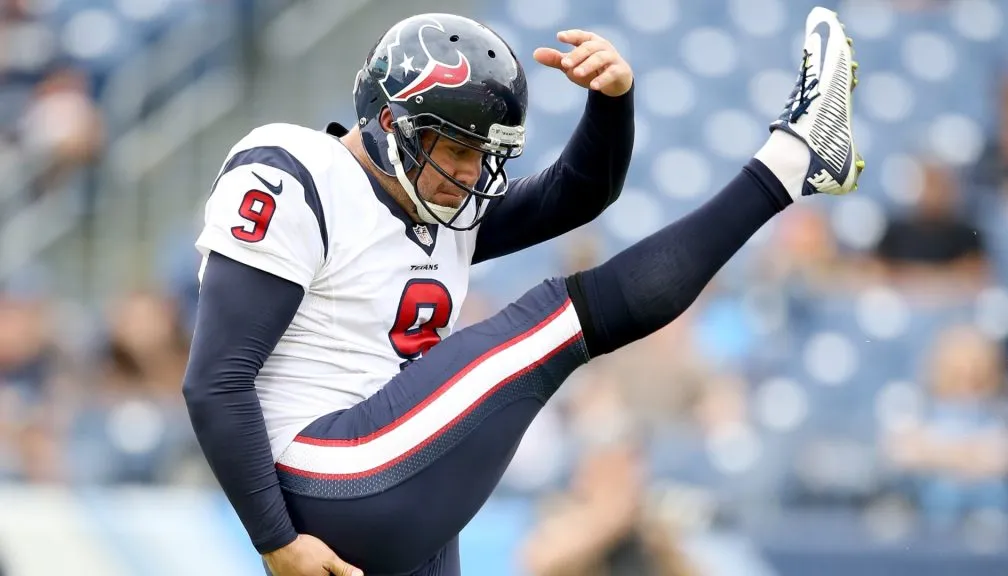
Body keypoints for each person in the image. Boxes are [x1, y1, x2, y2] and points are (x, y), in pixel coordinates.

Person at [183, 8, 863, 576]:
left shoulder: (438, 205)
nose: (472, 173)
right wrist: (273, 538)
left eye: (487, 154)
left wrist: (610, 102)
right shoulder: (293, 171)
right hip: (328, 479)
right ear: (391, 123)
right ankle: (793, 160)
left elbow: (579, 193)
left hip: (401, 481)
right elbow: (215, 381)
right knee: (557, 319)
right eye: (455, 150)